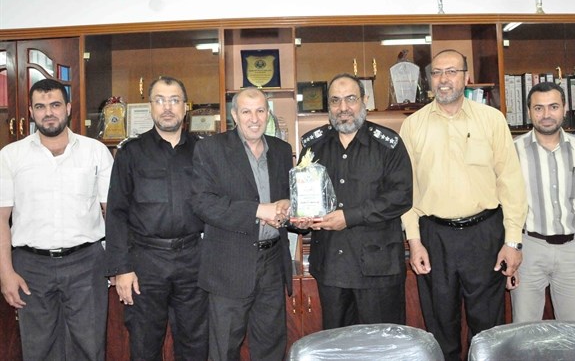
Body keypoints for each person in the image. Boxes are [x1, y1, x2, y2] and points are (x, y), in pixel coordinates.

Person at [399, 49, 527, 361]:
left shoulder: (491, 119)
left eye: (452, 71)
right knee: (441, 326)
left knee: (488, 329)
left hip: (485, 235)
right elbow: (406, 191)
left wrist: (512, 241)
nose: (444, 79)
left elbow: (511, 183)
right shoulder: (413, 125)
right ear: (430, 79)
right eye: (437, 72)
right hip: (435, 237)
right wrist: (414, 241)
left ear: (466, 78)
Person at [0, 78, 113, 360]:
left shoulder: (95, 151)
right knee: (38, 350)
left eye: (55, 105)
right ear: (31, 112)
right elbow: (1, 219)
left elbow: (112, 212)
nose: (48, 112)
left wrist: (116, 263)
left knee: (90, 347)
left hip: (86, 264)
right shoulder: (11, 156)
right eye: (40, 106)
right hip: (30, 267)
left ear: (68, 108)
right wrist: (5, 273)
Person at [299, 73, 412, 329]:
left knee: (381, 345)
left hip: (377, 270)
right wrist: (301, 219)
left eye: (350, 99)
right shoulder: (313, 146)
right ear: (328, 105)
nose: (343, 108)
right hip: (331, 267)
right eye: (335, 100)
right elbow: (303, 198)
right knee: (336, 344)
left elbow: (401, 196)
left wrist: (349, 217)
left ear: (364, 100)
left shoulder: (388, 144)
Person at [105, 76, 208, 360]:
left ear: (185, 107)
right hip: (145, 263)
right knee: (144, 344)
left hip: (193, 260)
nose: (167, 107)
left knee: (196, 344)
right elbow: (116, 213)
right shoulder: (131, 152)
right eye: (160, 100)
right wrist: (121, 269)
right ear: (150, 106)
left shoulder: (203, 151)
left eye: (174, 100)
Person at [191, 87, 294, 361]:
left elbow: (288, 196)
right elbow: (203, 203)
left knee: (271, 347)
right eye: (246, 111)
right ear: (234, 115)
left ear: (268, 114)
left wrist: (288, 204)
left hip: (273, 263)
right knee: (224, 349)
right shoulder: (210, 149)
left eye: (260, 110)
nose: (254, 118)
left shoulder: (282, 150)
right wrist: (259, 210)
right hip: (229, 266)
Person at [511, 82, 575, 322]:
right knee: (524, 331)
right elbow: (505, 208)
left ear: (565, 108)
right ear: (529, 111)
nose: (546, 114)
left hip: (574, 251)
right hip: (528, 250)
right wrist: (510, 255)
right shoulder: (513, 150)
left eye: (553, 106)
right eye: (538, 108)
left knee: (574, 331)